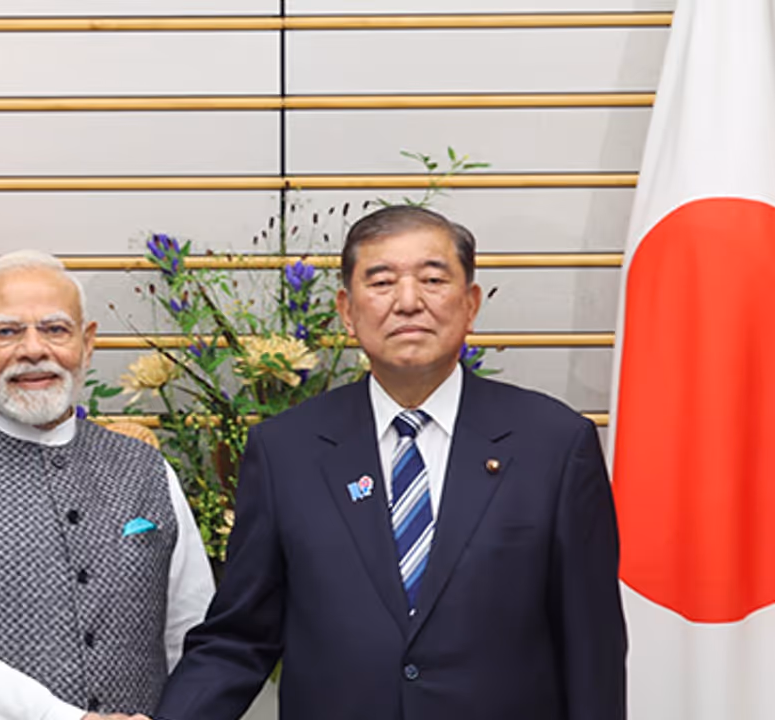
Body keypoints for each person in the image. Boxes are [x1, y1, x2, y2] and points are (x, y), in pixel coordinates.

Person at [155, 206, 627, 720]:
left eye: (432, 279)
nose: (408, 302)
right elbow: (240, 637)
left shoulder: (554, 445)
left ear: (471, 304)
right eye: (381, 282)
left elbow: (593, 652)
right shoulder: (285, 451)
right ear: (347, 309)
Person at [0, 250, 213, 720]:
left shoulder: (146, 468)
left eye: (55, 329)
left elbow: (193, 634)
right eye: (6, 332)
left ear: (87, 344)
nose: (33, 349)